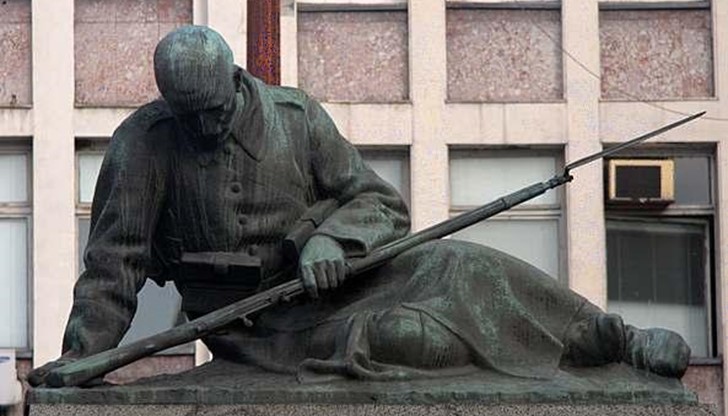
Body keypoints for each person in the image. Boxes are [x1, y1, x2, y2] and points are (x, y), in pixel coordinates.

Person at [28, 26, 690, 387]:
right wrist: (81, 356)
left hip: (341, 282)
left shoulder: (296, 119)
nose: (204, 128)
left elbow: (380, 203)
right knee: (407, 340)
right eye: (189, 116)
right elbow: (114, 264)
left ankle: (615, 339)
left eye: (215, 112)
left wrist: (331, 241)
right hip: (258, 331)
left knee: (462, 263)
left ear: (235, 81)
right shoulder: (142, 144)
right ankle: (557, 356)